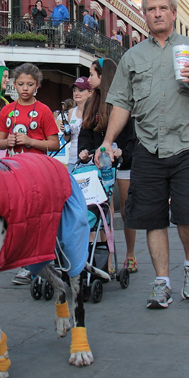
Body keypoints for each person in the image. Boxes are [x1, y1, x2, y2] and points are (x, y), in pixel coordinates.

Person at [97, 0, 189, 310]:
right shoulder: (133, 57)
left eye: (163, 8)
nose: (157, 13)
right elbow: (122, 104)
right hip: (148, 147)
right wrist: (108, 141)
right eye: (151, 9)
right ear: (145, 15)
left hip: (187, 146)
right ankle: (162, 282)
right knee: (152, 218)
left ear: (174, 13)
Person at [0, 63, 60, 286]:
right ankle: (23, 263)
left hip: (37, 171)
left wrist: (31, 141)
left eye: (30, 84)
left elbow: (54, 143)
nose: (25, 88)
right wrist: (9, 141)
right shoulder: (7, 110)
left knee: (35, 215)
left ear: (37, 86)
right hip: (13, 171)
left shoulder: (43, 111)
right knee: (17, 216)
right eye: (21, 84)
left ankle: (34, 263)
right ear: (14, 85)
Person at [77, 58, 137, 274]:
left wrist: (123, 152)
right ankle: (106, 257)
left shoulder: (121, 102)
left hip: (123, 163)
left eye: (92, 74)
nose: (89, 78)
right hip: (98, 165)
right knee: (103, 209)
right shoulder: (91, 104)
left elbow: (131, 136)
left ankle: (130, 254)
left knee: (127, 209)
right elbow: (86, 133)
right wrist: (83, 151)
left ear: (103, 76)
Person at [64, 76, 92, 172]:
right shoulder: (71, 112)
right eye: (74, 90)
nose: (76, 93)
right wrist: (65, 131)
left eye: (81, 90)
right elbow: (68, 139)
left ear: (90, 92)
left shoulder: (93, 112)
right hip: (73, 158)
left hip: (89, 159)